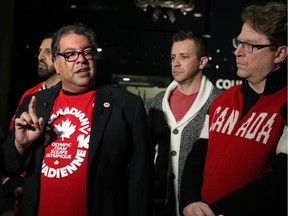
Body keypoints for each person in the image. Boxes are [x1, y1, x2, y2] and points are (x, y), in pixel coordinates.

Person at [3, 22, 154, 216]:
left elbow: (141, 178)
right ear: (57, 64)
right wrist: (20, 146)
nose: (81, 60)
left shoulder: (126, 106)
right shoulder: (34, 103)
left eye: (87, 52)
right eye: (70, 54)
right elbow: (8, 166)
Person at [180, 1, 287, 216]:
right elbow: (197, 156)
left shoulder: (284, 105)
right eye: (239, 42)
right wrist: (190, 201)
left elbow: (282, 179)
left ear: (279, 54)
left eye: (250, 45)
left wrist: (219, 211)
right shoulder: (221, 101)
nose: (238, 51)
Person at [147, 31, 223, 216]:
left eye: (184, 56)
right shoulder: (158, 103)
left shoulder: (220, 102)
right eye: (173, 57)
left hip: (201, 206)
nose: (176, 63)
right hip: (159, 206)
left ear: (202, 62)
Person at [2, 32, 61, 216]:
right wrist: (14, 180)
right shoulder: (30, 95)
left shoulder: (71, 96)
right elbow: (13, 142)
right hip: (26, 195)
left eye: (48, 51)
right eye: (39, 51)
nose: (40, 57)